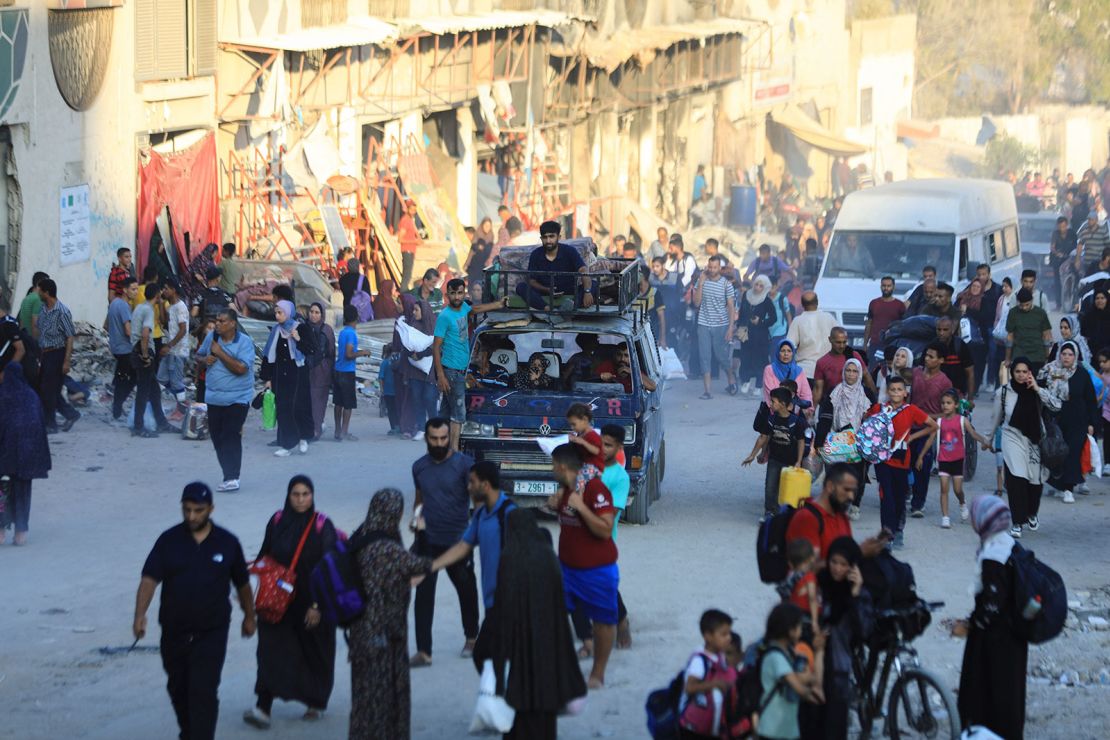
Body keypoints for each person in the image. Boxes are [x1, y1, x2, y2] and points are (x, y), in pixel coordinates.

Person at [134, 482, 255, 740]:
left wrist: (250, 616)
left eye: (198, 510)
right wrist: (139, 615)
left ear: (211, 509)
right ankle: (189, 733)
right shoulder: (168, 541)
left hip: (211, 632)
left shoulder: (227, 542)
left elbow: (243, 584)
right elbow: (149, 579)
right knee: (178, 688)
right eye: (187, 510)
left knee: (203, 690)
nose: (191, 516)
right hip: (174, 631)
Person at [473, 508, 587, 740]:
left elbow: (503, 610)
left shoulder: (510, 558)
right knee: (544, 722)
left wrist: (497, 663)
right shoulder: (549, 558)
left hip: (517, 656)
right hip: (547, 652)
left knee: (519, 722)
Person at [243, 475, 338, 729]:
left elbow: (329, 567)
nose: (300, 499)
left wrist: (317, 606)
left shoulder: (322, 525)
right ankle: (263, 707)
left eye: (305, 494)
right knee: (269, 651)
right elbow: (264, 557)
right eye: (295, 494)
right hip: (278, 601)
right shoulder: (276, 521)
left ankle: (315, 702)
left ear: (313, 495)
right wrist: (252, 592)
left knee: (314, 651)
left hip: (311, 600)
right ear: (288, 496)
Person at [348, 488, 432, 740]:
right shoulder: (385, 547)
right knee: (383, 698)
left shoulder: (361, 535)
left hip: (361, 633)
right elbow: (420, 566)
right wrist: (423, 533)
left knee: (364, 698)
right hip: (384, 634)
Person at [952, 496, 1027, 739]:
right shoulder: (1010, 544)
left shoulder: (994, 555)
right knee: (1010, 691)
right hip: (1013, 635)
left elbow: (992, 603)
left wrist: (970, 625)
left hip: (995, 639)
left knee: (986, 690)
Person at [546, 442, 619, 689]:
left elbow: (605, 529)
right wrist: (554, 506)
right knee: (550, 615)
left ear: (561, 466)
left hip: (596, 570)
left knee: (603, 622)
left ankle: (597, 673)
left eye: (552, 465)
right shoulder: (566, 489)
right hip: (566, 569)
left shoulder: (594, 488)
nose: (551, 469)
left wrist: (582, 508)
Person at [410, 418, 479, 667]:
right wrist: (415, 518)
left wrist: (477, 532)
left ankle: (472, 637)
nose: (439, 443)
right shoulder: (419, 467)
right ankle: (424, 651)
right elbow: (419, 500)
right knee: (423, 596)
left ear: (449, 437)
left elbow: (477, 499)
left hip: (457, 540)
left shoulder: (464, 466)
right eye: (434, 439)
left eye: (443, 438)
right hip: (427, 541)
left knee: (466, 590)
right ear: (426, 438)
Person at [804, 537, 872, 739]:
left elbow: (864, 631)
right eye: (834, 562)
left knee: (834, 725)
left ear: (853, 567)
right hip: (812, 664)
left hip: (837, 668)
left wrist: (855, 593)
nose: (837, 569)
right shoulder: (819, 583)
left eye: (844, 564)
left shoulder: (860, 593)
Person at [429, 460, 515, 614]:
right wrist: (431, 566)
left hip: (509, 604)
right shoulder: (481, 515)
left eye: (472, 482)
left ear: (485, 485)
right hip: (491, 603)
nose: (468, 487)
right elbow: (463, 546)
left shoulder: (510, 514)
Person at [433, 279, 508, 449]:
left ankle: (440, 449)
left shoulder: (464, 309)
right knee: (458, 415)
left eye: (459, 293)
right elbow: (436, 347)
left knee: (445, 413)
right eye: (453, 293)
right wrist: (441, 376)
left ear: (464, 293)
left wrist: (498, 304)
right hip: (451, 372)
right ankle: (454, 452)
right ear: (447, 295)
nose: (456, 296)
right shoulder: (445, 316)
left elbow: (476, 309)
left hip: (459, 371)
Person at [866, 376, 937, 549]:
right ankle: (886, 535)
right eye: (893, 389)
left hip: (902, 461)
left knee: (899, 498)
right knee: (886, 497)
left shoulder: (911, 410)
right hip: (882, 460)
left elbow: (933, 426)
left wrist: (912, 436)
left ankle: (898, 530)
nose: (896, 393)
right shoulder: (879, 408)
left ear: (905, 393)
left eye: (899, 390)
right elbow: (867, 423)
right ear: (888, 391)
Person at [196, 309, 254, 491]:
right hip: (214, 397)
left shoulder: (244, 342)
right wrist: (205, 359)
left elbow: (241, 369)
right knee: (217, 437)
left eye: (222, 321)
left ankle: (232, 477)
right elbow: (198, 355)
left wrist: (219, 353)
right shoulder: (212, 337)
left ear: (233, 324)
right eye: (217, 320)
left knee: (231, 434)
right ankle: (228, 473)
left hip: (238, 397)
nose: (218, 324)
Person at [785, 462, 889, 562]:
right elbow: (805, 570)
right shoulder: (807, 518)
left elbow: (845, 553)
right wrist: (859, 552)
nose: (851, 496)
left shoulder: (841, 516)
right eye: (846, 490)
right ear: (830, 486)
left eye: (853, 491)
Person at [1039, 341, 1098, 506]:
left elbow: (1091, 400)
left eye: (1070, 354)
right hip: (1054, 417)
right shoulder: (1049, 371)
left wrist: (1092, 423)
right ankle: (1057, 483)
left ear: (1076, 356)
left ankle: (1068, 489)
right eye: (1063, 354)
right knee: (1056, 451)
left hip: (1077, 419)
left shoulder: (1082, 374)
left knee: (1072, 453)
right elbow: (1038, 390)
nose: (1066, 357)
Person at [0, 354, 51, 546]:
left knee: (2, 491)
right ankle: (21, 533)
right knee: (23, 492)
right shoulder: (31, 396)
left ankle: (0, 531)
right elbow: (40, 425)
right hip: (29, 455)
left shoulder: (3, 396)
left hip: (6, 455)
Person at [761, 603, 824, 740]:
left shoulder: (791, 654)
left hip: (787, 730)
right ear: (791, 630)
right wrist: (814, 694)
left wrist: (819, 652)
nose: (802, 630)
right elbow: (800, 687)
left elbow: (815, 681)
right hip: (772, 731)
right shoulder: (775, 657)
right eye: (800, 626)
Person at [261, 300, 316, 457]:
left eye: (280, 312)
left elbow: (312, 349)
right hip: (281, 377)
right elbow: (269, 356)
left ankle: (303, 438)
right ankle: (287, 444)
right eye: (276, 312)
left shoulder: (301, 328)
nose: (277, 315)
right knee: (284, 410)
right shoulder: (275, 331)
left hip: (299, 375)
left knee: (300, 407)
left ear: (288, 313)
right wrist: (268, 378)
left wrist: (298, 340)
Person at [743, 386, 808, 517]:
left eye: (773, 401)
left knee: (787, 488)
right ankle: (770, 511)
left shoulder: (797, 422)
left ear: (783, 404)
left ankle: (786, 514)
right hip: (774, 459)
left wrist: (799, 461)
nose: (771, 404)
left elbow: (801, 441)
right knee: (770, 486)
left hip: (790, 461)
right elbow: (764, 437)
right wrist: (753, 455)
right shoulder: (771, 419)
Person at [906, 343, 954, 517]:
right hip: (909, 426)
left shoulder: (944, 382)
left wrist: (930, 416)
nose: (927, 359)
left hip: (930, 429)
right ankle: (907, 493)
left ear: (941, 360)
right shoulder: (916, 374)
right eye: (926, 355)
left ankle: (918, 504)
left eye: (932, 356)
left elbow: (949, 410)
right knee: (906, 462)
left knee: (923, 465)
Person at [933, 389, 991, 528]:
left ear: (956, 405)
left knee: (957, 489)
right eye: (943, 403)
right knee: (944, 488)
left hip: (958, 460)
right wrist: (922, 455)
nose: (945, 406)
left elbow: (973, 434)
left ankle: (962, 503)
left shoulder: (962, 420)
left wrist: (984, 440)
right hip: (943, 459)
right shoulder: (939, 422)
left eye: (949, 403)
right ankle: (945, 517)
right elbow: (931, 439)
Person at [678, 608, 740, 739]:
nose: (729, 638)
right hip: (693, 728)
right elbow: (689, 688)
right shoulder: (700, 661)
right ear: (708, 636)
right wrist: (714, 684)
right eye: (723, 634)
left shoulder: (720, 656)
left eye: (729, 633)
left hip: (711, 726)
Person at [811, 328, 874, 450]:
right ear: (830, 340)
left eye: (844, 342)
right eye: (838, 342)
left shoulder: (853, 356)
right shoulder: (822, 362)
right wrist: (811, 411)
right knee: (832, 446)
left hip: (855, 408)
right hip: (831, 407)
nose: (842, 346)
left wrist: (873, 397)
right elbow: (818, 389)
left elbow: (866, 376)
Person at [823, 358, 871, 518]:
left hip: (857, 440)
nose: (851, 374)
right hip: (837, 438)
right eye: (848, 370)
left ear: (859, 373)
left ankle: (855, 505)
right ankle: (836, 505)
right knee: (836, 473)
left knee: (857, 475)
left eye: (855, 371)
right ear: (843, 372)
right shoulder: (836, 391)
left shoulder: (865, 395)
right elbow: (829, 414)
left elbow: (868, 418)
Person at [514, 221, 595, 309]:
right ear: (541, 239)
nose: (548, 241)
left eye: (551, 236)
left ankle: (570, 307)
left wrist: (587, 291)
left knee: (594, 284)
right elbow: (532, 281)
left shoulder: (569, 251)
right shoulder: (536, 254)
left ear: (558, 237)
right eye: (545, 237)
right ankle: (547, 309)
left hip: (568, 290)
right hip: (545, 291)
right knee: (521, 287)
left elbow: (583, 269)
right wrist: (547, 290)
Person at [35, 279, 81, 433]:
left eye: (40, 290)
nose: (38, 293)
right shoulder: (43, 309)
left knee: (48, 390)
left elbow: (69, 336)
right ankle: (71, 414)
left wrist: (66, 361)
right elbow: (40, 330)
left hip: (57, 353)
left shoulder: (62, 311)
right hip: (45, 354)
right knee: (48, 390)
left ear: (46, 292)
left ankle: (51, 424)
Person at [130, 283, 174, 437]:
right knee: (143, 391)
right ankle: (138, 426)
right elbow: (145, 334)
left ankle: (161, 422)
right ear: (157, 295)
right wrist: (146, 356)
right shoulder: (148, 310)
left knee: (154, 389)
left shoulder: (139, 308)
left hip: (136, 351)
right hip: (143, 352)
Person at [394, 295, 438, 441]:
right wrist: (412, 353)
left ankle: (434, 428)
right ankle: (421, 428)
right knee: (417, 398)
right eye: (413, 310)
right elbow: (405, 344)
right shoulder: (411, 326)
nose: (414, 312)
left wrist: (421, 354)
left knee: (430, 398)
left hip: (430, 370)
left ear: (424, 311)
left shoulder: (433, 325)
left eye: (417, 310)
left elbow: (437, 346)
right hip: (414, 370)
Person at [693, 254, 737, 399]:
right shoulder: (702, 281)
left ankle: (731, 378)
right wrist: (700, 283)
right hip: (704, 323)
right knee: (704, 356)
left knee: (721, 356)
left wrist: (731, 328)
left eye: (715, 267)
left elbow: (731, 307)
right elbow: (696, 303)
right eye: (710, 267)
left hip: (721, 324)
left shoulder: (726, 284)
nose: (712, 270)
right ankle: (707, 391)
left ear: (720, 268)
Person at [328, 305, 365, 442]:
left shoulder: (343, 332)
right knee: (348, 404)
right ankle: (344, 432)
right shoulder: (351, 334)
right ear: (356, 318)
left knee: (338, 403)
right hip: (347, 372)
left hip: (338, 370)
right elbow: (349, 354)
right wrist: (363, 352)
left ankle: (338, 431)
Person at [737, 275, 776, 396]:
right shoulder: (746, 295)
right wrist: (739, 326)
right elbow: (742, 312)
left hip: (760, 335)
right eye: (756, 284)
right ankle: (746, 381)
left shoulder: (766, 300)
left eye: (761, 286)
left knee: (759, 359)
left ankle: (759, 385)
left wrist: (761, 322)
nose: (757, 287)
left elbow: (773, 318)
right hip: (746, 333)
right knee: (745, 357)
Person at [158, 278, 191, 412]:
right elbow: (164, 322)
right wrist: (160, 304)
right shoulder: (171, 306)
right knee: (161, 378)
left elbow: (183, 330)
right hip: (171, 349)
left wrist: (169, 346)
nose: (164, 291)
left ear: (173, 290)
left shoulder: (180, 307)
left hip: (178, 351)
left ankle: (182, 408)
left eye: (166, 288)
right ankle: (178, 402)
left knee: (176, 381)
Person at [304, 302, 336, 440]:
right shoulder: (304, 327)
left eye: (317, 312)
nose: (313, 315)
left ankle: (316, 430)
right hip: (306, 369)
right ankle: (310, 428)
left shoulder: (326, 330)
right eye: (311, 311)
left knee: (317, 401)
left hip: (321, 370)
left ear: (322, 314)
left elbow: (328, 351)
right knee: (308, 400)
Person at [786, 292, 837, 377]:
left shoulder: (798, 321)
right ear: (817, 302)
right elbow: (839, 340)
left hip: (805, 371)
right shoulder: (829, 317)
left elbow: (789, 345)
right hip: (828, 370)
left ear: (802, 305)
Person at [107, 278, 137, 421]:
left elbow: (105, 325)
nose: (136, 292)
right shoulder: (124, 306)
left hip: (116, 347)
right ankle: (117, 407)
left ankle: (117, 407)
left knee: (122, 378)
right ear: (125, 290)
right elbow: (128, 330)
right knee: (130, 379)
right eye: (133, 289)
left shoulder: (113, 303)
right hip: (125, 349)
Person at [1005, 287, 1053, 375]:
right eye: (1021, 305)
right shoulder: (1013, 313)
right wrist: (1008, 358)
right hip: (1019, 354)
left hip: (1037, 356)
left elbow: (1046, 336)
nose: (1024, 308)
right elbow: (1010, 337)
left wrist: (1047, 356)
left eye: (1027, 305)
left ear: (1032, 300)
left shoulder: (1041, 313)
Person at [933, 316, 976, 399]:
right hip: (936, 394)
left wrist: (970, 398)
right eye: (939, 329)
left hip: (957, 394)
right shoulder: (932, 346)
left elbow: (970, 373)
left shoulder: (960, 346)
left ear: (952, 330)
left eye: (945, 330)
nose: (941, 333)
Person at [863, 276, 905, 359]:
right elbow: (869, 324)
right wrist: (865, 345)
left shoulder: (900, 305)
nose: (886, 288)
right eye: (884, 286)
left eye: (889, 286)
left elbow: (903, 327)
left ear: (893, 287)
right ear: (880, 286)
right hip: (875, 344)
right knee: (873, 369)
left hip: (892, 345)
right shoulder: (873, 303)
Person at [763, 339, 812, 409]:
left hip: (795, 413)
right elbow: (771, 393)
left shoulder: (799, 371)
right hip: (775, 412)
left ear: (793, 353)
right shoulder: (769, 369)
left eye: (789, 351)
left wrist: (808, 409)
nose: (786, 354)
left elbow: (806, 394)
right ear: (778, 352)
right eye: (783, 351)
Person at [1050, 216, 1078, 309]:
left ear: (1067, 225)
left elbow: (1077, 245)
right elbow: (1052, 247)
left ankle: (1073, 301)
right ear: (1057, 226)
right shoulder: (1055, 234)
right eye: (1060, 226)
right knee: (1057, 281)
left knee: (1074, 278)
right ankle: (1058, 304)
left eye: (1064, 226)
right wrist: (1058, 253)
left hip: (1070, 259)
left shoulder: (1072, 233)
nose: (1062, 229)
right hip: (1057, 261)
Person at [398, 199, 422, 290]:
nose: (413, 212)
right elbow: (400, 239)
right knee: (406, 276)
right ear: (407, 209)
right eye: (412, 210)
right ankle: (403, 295)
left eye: (415, 210)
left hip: (411, 250)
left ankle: (404, 294)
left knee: (408, 275)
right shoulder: (405, 220)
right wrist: (414, 241)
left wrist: (418, 239)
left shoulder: (411, 220)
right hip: (407, 250)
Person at [464, 217, 495, 287]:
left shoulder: (491, 237)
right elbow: (471, 252)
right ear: (482, 225)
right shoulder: (477, 236)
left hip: (484, 266)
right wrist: (466, 264)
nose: (487, 228)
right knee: (473, 287)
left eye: (489, 226)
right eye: (485, 225)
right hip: (475, 266)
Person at [1079, 289, 1110, 354]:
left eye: (1102, 298)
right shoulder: (1088, 316)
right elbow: (1083, 334)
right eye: (1097, 298)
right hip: (1092, 352)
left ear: (1107, 300)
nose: (1099, 301)